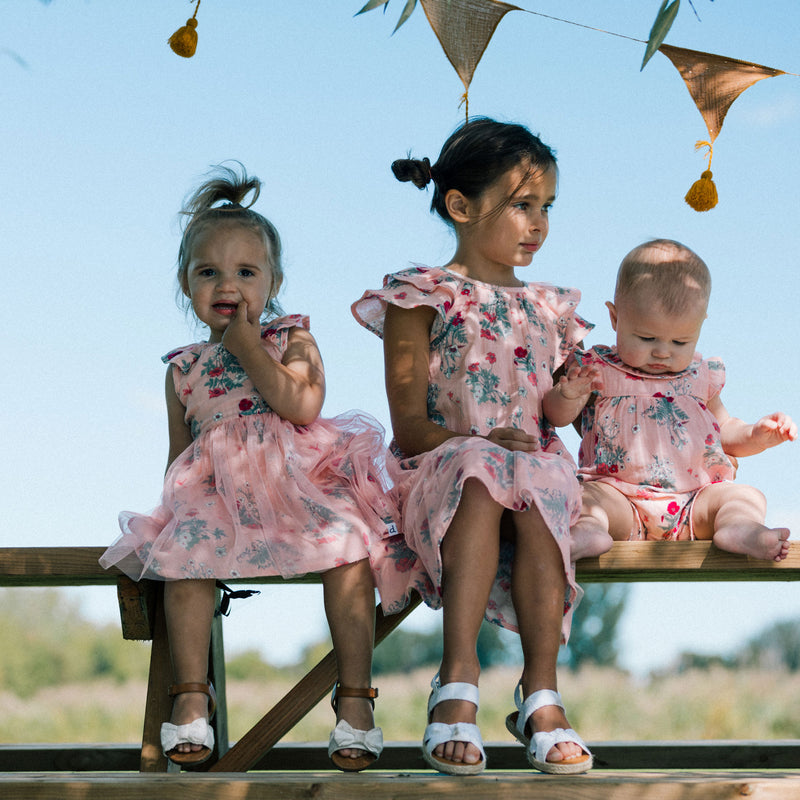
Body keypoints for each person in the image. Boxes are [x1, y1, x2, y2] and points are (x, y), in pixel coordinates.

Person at [100, 163, 415, 771]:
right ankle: (192, 694)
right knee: (181, 563)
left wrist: (248, 346)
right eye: (209, 272)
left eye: (246, 272)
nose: (229, 284)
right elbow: (178, 457)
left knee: (349, 550)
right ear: (186, 284)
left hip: (297, 488)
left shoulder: (292, 338)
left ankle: (354, 698)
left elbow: (302, 403)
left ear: (273, 281)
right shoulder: (183, 368)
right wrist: (171, 518)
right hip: (217, 499)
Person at [352, 118, 594, 775]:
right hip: (446, 472)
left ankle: (541, 692)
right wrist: (486, 441)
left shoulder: (551, 308)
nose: (538, 223)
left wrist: (575, 394)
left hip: (534, 483)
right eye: (522, 205)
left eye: (546, 207)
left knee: (537, 472)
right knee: (486, 466)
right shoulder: (421, 296)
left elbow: (561, 415)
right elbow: (409, 427)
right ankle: (456, 680)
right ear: (460, 206)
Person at [543, 238, 796, 562]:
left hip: (696, 501)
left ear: (700, 326)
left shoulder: (700, 376)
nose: (662, 351)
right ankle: (589, 531)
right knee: (585, 498)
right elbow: (557, 417)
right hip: (619, 497)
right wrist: (566, 396)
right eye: (647, 338)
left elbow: (726, 430)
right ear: (615, 319)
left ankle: (740, 528)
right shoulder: (596, 368)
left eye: (680, 340)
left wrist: (756, 436)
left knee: (745, 496)